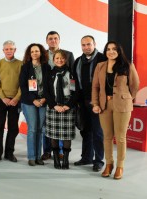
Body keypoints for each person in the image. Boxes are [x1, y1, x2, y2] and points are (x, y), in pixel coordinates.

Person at [92, 41, 139, 180]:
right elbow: (95, 87)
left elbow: (135, 85)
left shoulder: (127, 65)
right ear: (105, 51)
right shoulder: (100, 66)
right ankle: (109, 164)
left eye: (114, 49)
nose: (111, 51)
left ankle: (120, 166)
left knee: (120, 137)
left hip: (122, 105)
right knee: (106, 136)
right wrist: (95, 103)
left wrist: (127, 98)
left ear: (119, 51)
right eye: (108, 49)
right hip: (104, 105)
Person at [73, 35, 107, 171]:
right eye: (83, 45)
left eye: (89, 44)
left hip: (97, 103)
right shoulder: (77, 62)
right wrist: (76, 102)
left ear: (94, 44)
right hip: (83, 103)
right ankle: (86, 157)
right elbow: (74, 84)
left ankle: (98, 160)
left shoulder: (102, 59)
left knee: (98, 132)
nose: (86, 47)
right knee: (85, 131)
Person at [42, 31, 75, 161]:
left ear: (59, 40)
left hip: (66, 96)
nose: (53, 41)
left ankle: (61, 152)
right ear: (47, 41)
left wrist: (70, 102)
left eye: (55, 38)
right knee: (47, 127)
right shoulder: (42, 55)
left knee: (63, 130)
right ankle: (47, 151)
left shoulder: (68, 54)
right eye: (50, 39)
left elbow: (72, 77)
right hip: (49, 95)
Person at [45, 50, 78, 170]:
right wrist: (54, 105)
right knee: (54, 135)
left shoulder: (71, 73)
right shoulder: (50, 74)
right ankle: (55, 159)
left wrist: (68, 105)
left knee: (66, 136)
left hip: (67, 107)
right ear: (53, 60)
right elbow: (47, 92)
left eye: (62, 58)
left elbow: (75, 92)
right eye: (57, 58)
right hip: (54, 107)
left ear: (66, 59)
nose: (60, 60)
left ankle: (65, 159)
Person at [0, 40, 23, 163]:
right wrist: (3, 97)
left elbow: (23, 84)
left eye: (11, 49)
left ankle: (9, 153)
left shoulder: (21, 64)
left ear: (15, 50)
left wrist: (16, 98)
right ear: (3, 50)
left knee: (13, 128)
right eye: (7, 49)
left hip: (15, 100)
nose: (9, 51)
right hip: (1, 100)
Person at [19, 43, 50, 166]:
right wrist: (33, 100)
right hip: (29, 102)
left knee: (40, 129)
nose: (35, 53)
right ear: (29, 54)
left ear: (41, 52)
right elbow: (23, 86)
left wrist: (44, 99)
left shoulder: (47, 67)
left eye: (37, 51)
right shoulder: (25, 67)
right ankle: (31, 156)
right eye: (32, 51)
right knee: (32, 129)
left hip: (43, 101)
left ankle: (38, 157)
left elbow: (49, 86)